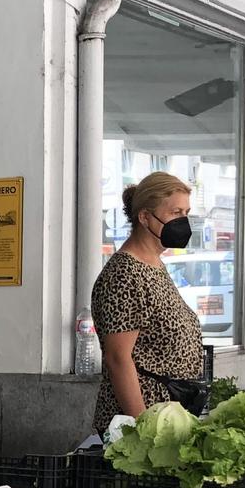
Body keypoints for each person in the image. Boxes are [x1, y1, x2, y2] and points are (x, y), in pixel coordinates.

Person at [91, 171, 207, 430]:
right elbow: (118, 358)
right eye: (176, 212)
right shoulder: (125, 274)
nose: (183, 221)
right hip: (142, 420)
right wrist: (143, 427)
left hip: (167, 414)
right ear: (144, 217)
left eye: (186, 213)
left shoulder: (154, 265)